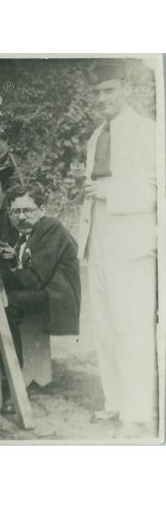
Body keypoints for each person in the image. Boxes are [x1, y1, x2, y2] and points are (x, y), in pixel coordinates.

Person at [79, 61, 157, 435]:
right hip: (99, 243)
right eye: (96, 92)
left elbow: (157, 191)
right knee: (106, 328)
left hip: (132, 243)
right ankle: (116, 401)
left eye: (108, 90)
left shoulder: (149, 132)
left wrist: (113, 193)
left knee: (133, 328)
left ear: (124, 87)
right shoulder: (96, 137)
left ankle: (138, 412)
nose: (102, 98)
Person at [1, 184, 80, 368]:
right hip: (44, 289)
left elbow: (36, 278)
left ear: (42, 209)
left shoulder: (51, 227)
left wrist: (2, 276)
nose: (21, 217)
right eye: (15, 211)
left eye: (28, 210)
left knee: (6, 304)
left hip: (58, 294)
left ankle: (13, 371)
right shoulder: (25, 234)